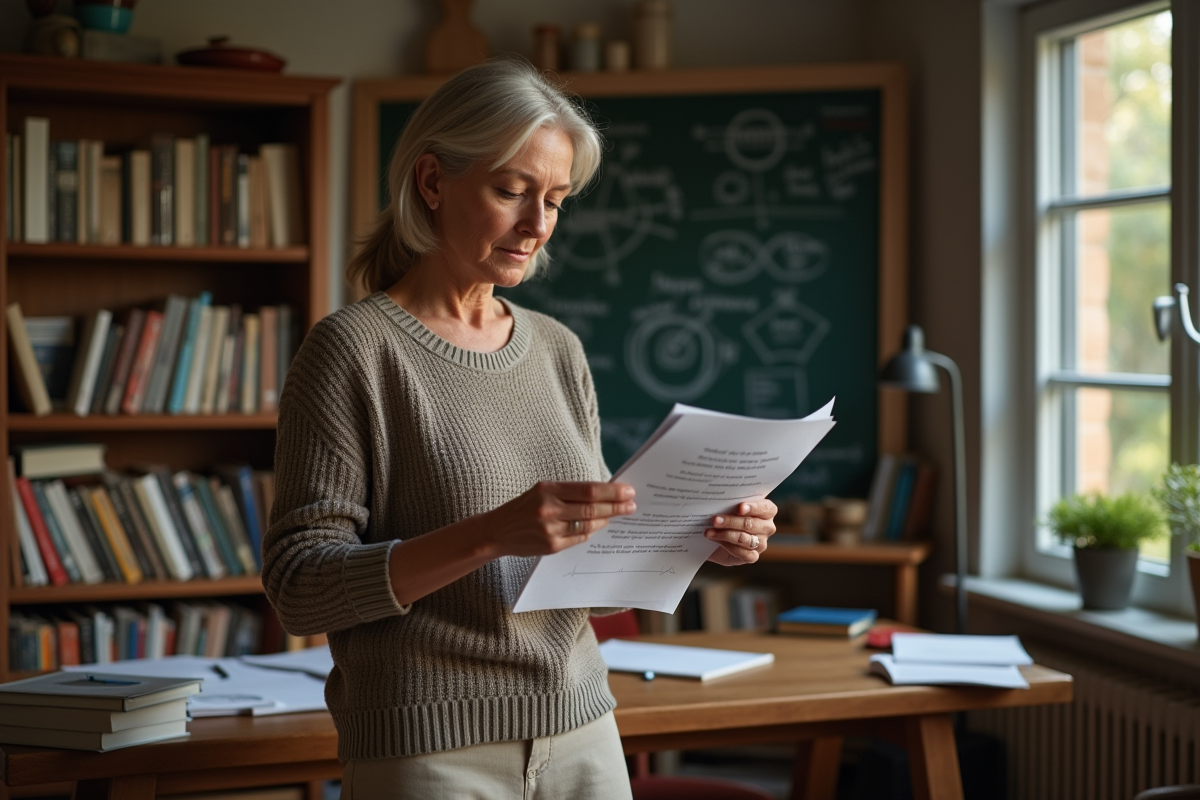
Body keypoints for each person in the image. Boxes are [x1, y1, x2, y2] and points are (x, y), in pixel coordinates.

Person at [262, 58, 779, 800]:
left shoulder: (557, 349)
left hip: (584, 730)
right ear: (433, 182)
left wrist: (698, 539)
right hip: (429, 748)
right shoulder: (354, 349)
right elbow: (300, 589)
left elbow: (591, 586)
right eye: (512, 191)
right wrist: (489, 534)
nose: (538, 225)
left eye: (557, 200)